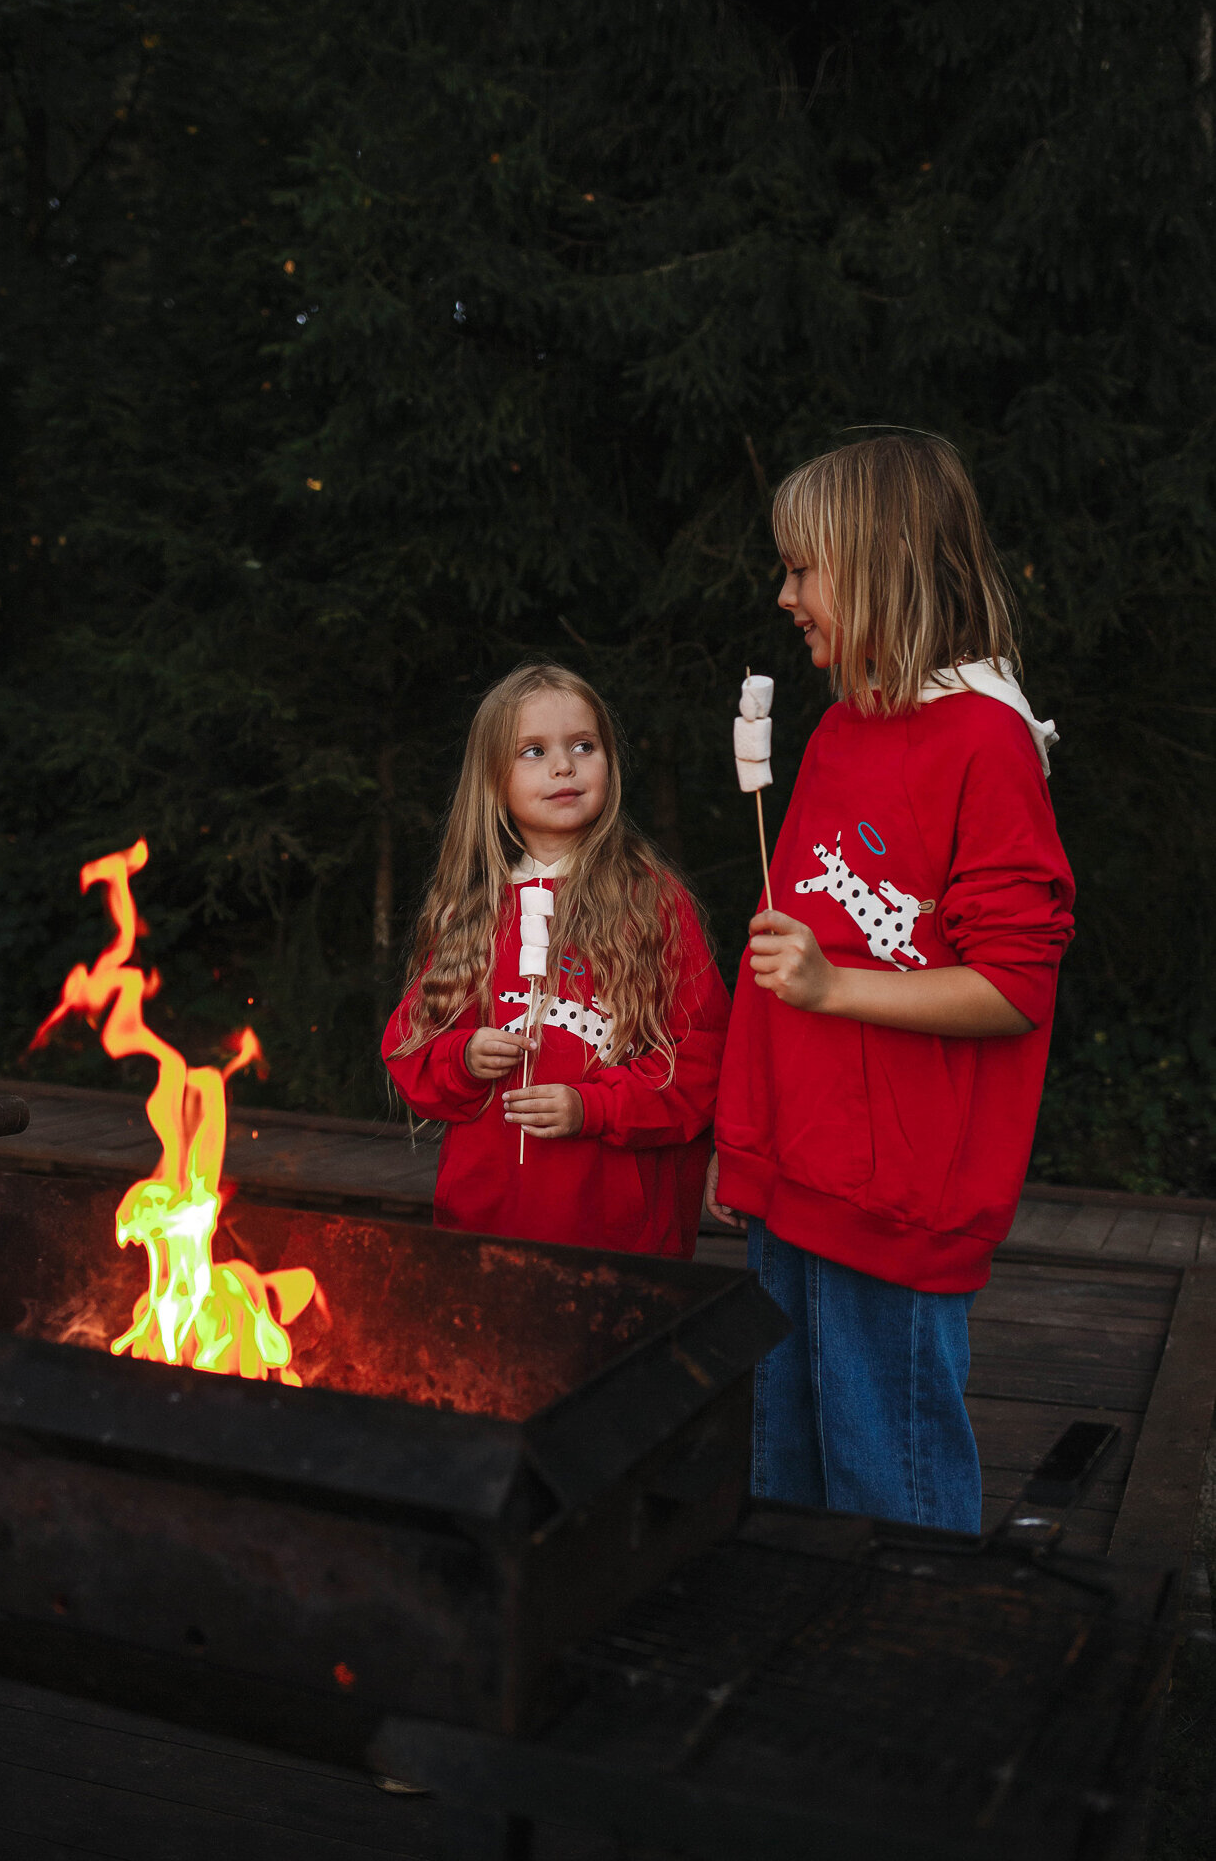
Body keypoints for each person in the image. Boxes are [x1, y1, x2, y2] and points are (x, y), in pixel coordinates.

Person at [709, 434, 1074, 1533]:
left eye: (804, 568)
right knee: (787, 1477)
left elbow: (1011, 986)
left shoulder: (985, 741)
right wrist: (748, 1140)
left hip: (896, 1199)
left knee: (889, 1493)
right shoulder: (840, 728)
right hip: (796, 1176)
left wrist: (835, 989)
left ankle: (919, 1688)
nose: (785, 595)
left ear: (880, 564)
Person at [383, 663, 730, 1257]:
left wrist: (592, 1105)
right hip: (490, 1227)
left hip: (618, 1230)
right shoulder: (470, 911)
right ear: (492, 780)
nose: (564, 766)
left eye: (583, 746)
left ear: (610, 762)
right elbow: (411, 1054)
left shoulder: (652, 901)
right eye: (534, 751)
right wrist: (465, 1055)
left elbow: (700, 1060)